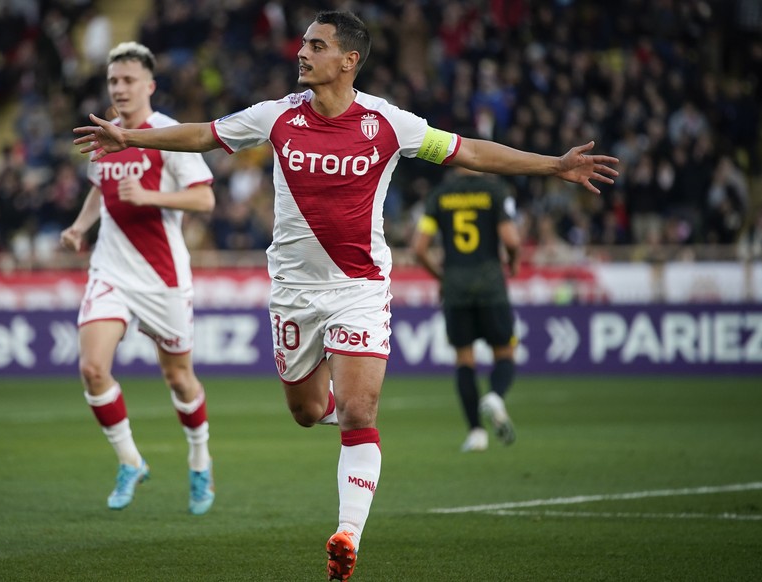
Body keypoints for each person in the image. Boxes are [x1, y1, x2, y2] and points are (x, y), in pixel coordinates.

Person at [73, 11, 618, 580]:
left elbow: (470, 152)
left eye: (316, 45)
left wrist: (552, 164)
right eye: (304, 43)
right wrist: (128, 136)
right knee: (307, 412)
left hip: (358, 288)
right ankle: (334, 424)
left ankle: (346, 536)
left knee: (360, 410)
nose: (302, 53)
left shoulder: (388, 123)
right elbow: (203, 135)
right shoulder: (277, 115)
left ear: (348, 60)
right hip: (293, 294)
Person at [60, 41, 217, 515]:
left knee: (179, 379)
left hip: (162, 277)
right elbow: (98, 188)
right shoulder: (104, 133)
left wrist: (149, 198)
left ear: (149, 85)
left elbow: (204, 201)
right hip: (110, 269)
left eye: (128, 80)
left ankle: (199, 460)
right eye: (113, 81)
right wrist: (79, 226)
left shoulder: (167, 134)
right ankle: (130, 461)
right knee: (92, 368)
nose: (120, 88)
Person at [411, 167, 520, 453]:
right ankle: (496, 396)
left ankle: (476, 433)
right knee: (505, 353)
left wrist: (442, 278)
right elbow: (511, 240)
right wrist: (514, 262)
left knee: (464, 359)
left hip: (456, 288)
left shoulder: (440, 195)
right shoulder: (494, 192)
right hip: (490, 284)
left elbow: (419, 248)